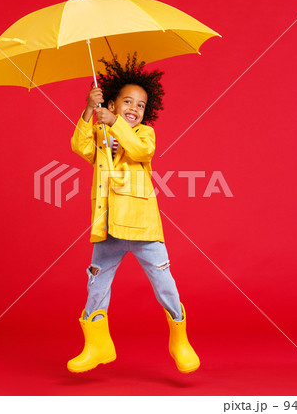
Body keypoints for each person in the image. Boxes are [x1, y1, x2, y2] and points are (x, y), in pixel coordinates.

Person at [68, 55, 199, 374]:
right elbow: (78, 147)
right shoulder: (100, 134)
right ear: (110, 104)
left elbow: (142, 152)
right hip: (108, 228)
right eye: (127, 101)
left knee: (164, 283)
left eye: (140, 105)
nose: (134, 108)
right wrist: (88, 110)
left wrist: (116, 125)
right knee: (96, 284)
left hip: (142, 228)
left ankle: (179, 338)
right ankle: (99, 344)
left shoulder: (144, 134)